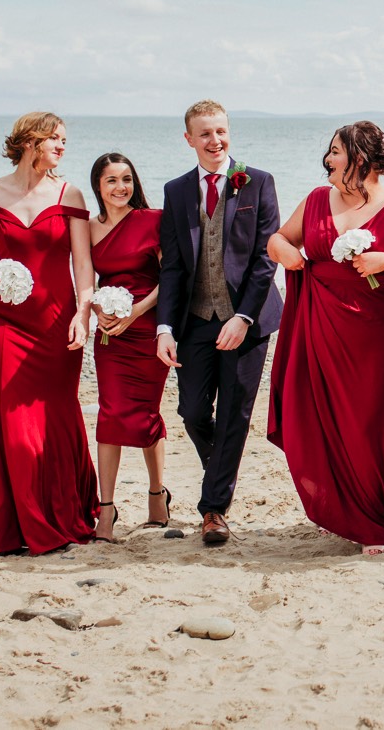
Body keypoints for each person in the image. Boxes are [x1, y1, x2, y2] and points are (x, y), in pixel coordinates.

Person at [266, 122, 384, 556]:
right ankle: (340, 509)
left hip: (377, 335)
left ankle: (372, 517)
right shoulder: (316, 199)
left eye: (337, 152)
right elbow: (282, 238)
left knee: (368, 424)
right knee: (319, 416)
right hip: (318, 322)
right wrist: (280, 249)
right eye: (330, 151)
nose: (328, 159)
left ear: (360, 158)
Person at [0, 112, 99, 554]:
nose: (62, 146)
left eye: (64, 140)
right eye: (55, 139)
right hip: (5, 324)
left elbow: (84, 265)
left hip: (58, 324)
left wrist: (83, 314)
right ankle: (11, 528)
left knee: (55, 418)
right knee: (14, 427)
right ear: (30, 141)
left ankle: (61, 514)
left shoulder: (69, 193)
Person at [156, 100, 282, 545]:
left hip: (247, 320)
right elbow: (171, 267)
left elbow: (267, 260)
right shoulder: (175, 191)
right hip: (194, 321)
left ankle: (213, 510)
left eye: (222, 131)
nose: (216, 141)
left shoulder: (259, 182)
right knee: (191, 412)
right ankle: (223, 468)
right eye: (205, 134)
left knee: (233, 413)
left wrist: (244, 317)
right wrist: (164, 328)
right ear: (189, 139)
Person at [87, 152, 171, 541]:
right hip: (109, 335)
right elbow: (85, 280)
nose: (121, 187)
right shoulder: (88, 229)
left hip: (147, 327)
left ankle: (157, 493)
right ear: (98, 187)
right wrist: (96, 309)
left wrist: (136, 311)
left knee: (145, 414)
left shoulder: (153, 220)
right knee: (110, 415)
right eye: (111, 181)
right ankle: (107, 510)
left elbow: (172, 276)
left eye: (126, 179)